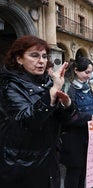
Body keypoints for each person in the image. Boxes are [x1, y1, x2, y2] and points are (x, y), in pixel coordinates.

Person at [0, 35, 75, 188]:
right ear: (19, 59)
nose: (41, 61)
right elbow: (27, 120)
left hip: (48, 160)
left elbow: (64, 122)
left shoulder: (47, 83)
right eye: (34, 55)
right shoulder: (9, 86)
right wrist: (52, 94)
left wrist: (67, 104)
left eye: (44, 56)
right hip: (22, 165)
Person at [60, 57, 93, 188]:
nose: (89, 76)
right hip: (73, 139)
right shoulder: (68, 88)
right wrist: (89, 117)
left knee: (84, 170)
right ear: (76, 70)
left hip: (89, 135)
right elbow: (67, 116)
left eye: (91, 73)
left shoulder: (89, 87)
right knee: (74, 171)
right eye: (86, 72)